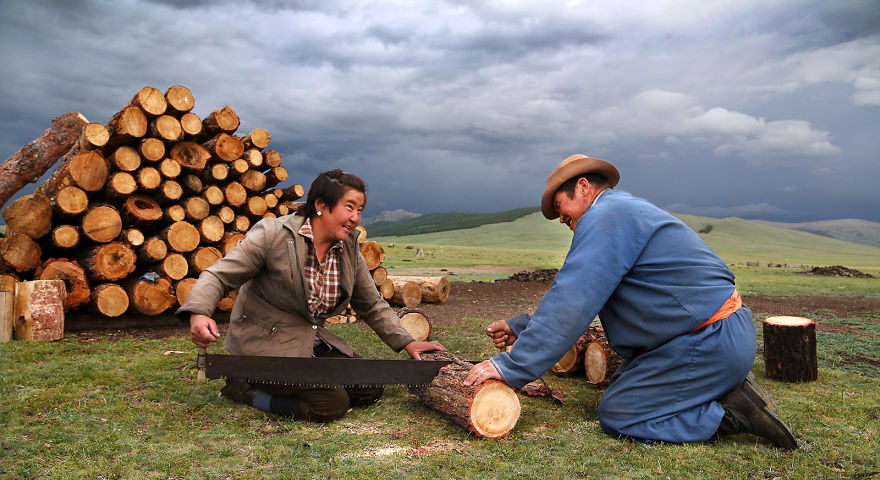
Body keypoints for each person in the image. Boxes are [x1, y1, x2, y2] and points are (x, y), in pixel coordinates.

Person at [464, 154, 797, 449]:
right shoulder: (619, 213)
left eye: (560, 209)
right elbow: (587, 294)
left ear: (582, 187)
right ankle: (720, 387)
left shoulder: (608, 216)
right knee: (623, 383)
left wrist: (509, 367)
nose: (561, 220)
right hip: (704, 338)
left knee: (621, 413)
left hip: (709, 340)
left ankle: (730, 413)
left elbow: (573, 298)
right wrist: (524, 326)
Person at [178, 168, 445, 422]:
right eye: (349, 207)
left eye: (360, 210)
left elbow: (371, 303)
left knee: (369, 387)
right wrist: (200, 313)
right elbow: (218, 275)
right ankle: (244, 389)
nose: (355, 218)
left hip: (310, 342)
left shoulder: (349, 246)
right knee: (330, 403)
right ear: (320, 204)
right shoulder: (273, 235)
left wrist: (408, 343)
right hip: (263, 346)